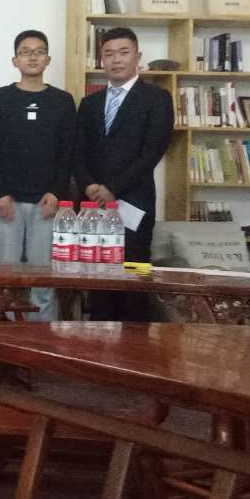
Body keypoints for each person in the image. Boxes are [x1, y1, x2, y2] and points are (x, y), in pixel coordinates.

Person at [75, 26, 175, 321]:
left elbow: (152, 152)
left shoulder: (157, 99)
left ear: (137, 56)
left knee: (134, 281)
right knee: (98, 283)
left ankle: (135, 344)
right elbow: (77, 151)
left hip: (135, 206)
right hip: (94, 207)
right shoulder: (90, 103)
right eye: (108, 54)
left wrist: (113, 189)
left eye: (123, 52)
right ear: (102, 60)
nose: (116, 59)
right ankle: (98, 342)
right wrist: (89, 185)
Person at [0, 30, 76, 321]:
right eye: (25, 51)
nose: (33, 57)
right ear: (15, 60)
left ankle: (42, 339)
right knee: (3, 279)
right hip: (6, 202)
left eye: (39, 51)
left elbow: (68, 151)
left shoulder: (62, 100)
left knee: (43, 281)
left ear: (48, 59)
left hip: (46, 203)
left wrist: (56, 193)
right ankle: (3, 338)